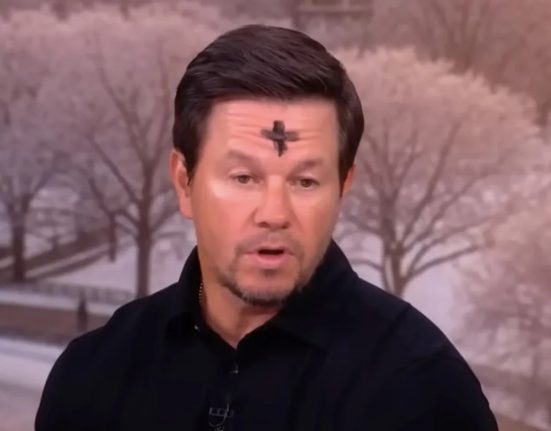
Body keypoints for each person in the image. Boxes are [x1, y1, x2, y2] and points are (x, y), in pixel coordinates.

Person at [35, 25, 498, 431]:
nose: (274, 213)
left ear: (343, 187)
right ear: (184, 182)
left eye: (305, 181)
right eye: (244, 178)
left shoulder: (421, 390)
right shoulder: (96, 373)